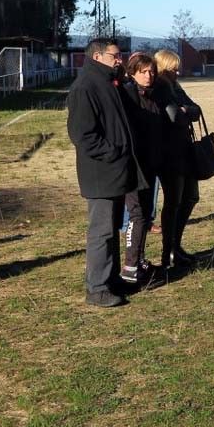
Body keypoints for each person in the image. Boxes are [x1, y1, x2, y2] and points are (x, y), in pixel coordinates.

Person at [67, 38, 139, 307]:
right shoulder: (86, 87)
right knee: (101, 231)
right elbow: (82, 135)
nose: (120, 60)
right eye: (115, 56)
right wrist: (114, 152)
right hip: (101, 171)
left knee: (112, 228)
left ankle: (110, 280)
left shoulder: (110, 83)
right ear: (98, 57)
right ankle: (96, 288)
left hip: (116, 169)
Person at [118, 53, 166, 287]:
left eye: (151, 71)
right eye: (143, 72)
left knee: (145, 215)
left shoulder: (152, 95)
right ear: (132, 72)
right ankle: (130, 268)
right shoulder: (128, 94)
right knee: (136, 216)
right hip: (134, 166)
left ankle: (139, 260)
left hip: (150, 165)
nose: (148, 76)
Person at [153, 49, 202, 268]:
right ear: (164, 67)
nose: (178, 72)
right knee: (174, 202)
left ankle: (176, 246)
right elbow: (175, 117)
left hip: (184, 149)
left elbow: (196, 110)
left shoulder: (175, 86)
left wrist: (186, 110)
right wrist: (185, 111)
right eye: (174, 68)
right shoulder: (161, 88)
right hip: (169, 154)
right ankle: (168, 251)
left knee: (190, 197)